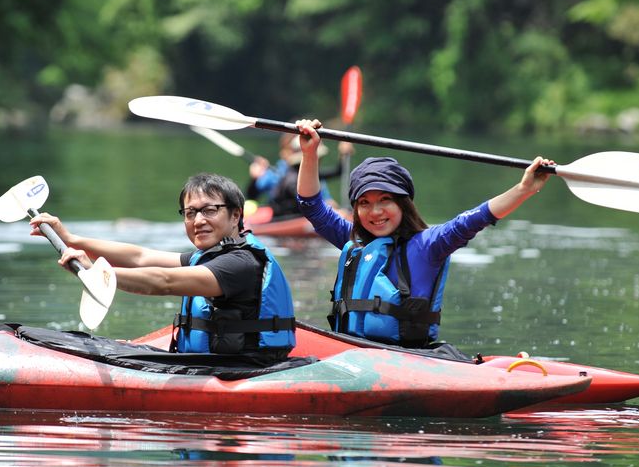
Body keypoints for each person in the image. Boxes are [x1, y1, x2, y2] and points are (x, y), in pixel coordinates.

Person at [294, 118, 554, 347]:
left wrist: (524, 189)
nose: (375, 211)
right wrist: (310, 153)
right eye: (365, 203)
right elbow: (312, 207)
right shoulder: (354, 243)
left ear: (403, 204)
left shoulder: (428, 246)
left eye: (385, 199)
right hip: (349, 351)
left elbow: (474, 219)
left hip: (407, 358)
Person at [30, 172, 297, 363]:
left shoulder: (239, 263)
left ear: (236, 215)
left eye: (209, 210)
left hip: (239, 369)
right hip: (210, 363)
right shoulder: (210, 255)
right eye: (190, 213)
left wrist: (99, 274)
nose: (198, 220)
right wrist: (71, 239)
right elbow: (140, 256)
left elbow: (164, 281)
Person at [247, 132, 352, 218]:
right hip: (284, 218)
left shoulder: (310, 173)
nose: (318, 160)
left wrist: (343, 154)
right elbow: (307, 201)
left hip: (298, 214)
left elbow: (338, 171)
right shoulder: (290, 178)